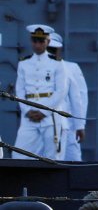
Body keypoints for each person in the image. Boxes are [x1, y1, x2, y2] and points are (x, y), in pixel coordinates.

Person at [14, 24, 68, 160]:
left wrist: (43, 111)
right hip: (29, 114)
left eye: (41, 41)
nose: (37, 45)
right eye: (35, 41)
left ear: (47, 42)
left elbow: (61, 90)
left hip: (49, 115)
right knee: (19, 153)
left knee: (52, 156)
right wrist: (27, 110)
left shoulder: (57, 63)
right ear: (31, 41)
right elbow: (20, 90)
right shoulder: (23, 63)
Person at [48, 33, 88, 162]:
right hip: (44, 124)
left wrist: (79, 125)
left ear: (59, 50)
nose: (51, 53)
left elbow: (80, 98)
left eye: (54, 50)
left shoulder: (71, 68)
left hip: (67, 125)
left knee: (72, 159)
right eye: (49, 49)